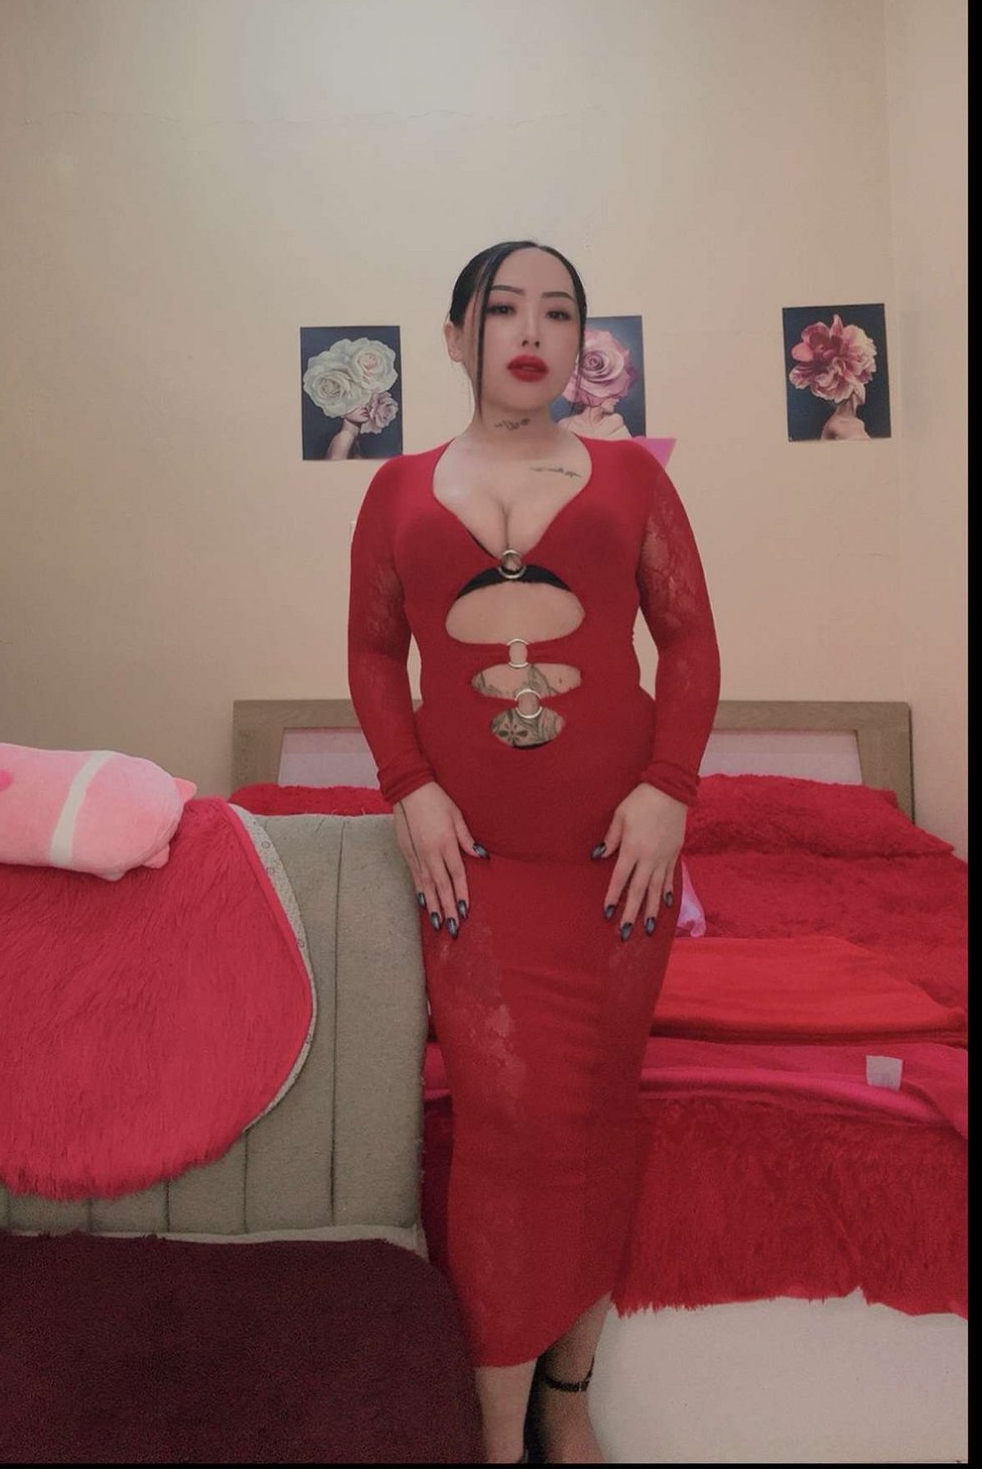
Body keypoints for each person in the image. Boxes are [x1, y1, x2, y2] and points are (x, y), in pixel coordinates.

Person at [347, 242, 720, 1465]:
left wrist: (668, 789)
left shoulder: (630, 477)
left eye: (556, 312)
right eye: (502, 308)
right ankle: (497, 1435)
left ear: (577, 343)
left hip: (619, 860)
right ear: (455, 335)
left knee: (597, 1113)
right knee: (508, 1127)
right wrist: (407, 787)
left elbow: (688, 642)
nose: (529, 330)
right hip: (475, 863)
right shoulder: (396, 488)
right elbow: (372, 653)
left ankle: (568, 1389)